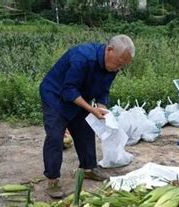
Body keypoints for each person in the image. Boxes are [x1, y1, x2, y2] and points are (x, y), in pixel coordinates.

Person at [40, 35, 135, 198]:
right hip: (55, 95)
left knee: (85, 130)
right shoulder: (82, 58)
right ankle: (53, 180)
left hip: (80, 96)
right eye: (119, 63)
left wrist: (102, 108)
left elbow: (103, 91)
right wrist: (91, 109)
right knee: (55, 136)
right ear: (109, 50)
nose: (120, 68)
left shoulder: (113, 66)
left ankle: (89, 168)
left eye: (123, 65)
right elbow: (68, 89)